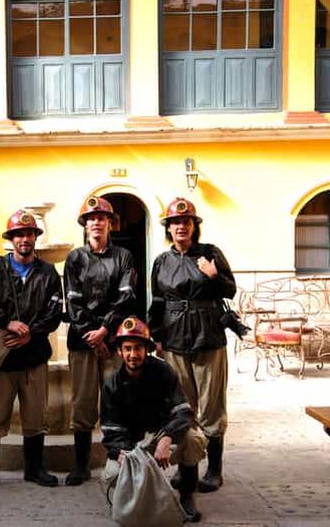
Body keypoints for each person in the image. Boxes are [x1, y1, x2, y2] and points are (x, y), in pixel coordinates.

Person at [0, 209, 63, 493]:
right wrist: (8, 323)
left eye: (29, 233)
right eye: (18, 234)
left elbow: (54, 312)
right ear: (11, 239)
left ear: (35, 237)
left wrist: (30, 335)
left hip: (34, 357)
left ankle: (34, 469)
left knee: (36, 417)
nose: (24, 238)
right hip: (2, 359)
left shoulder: (47, 272)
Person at [147, 197, 236, 494]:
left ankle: (214, 469)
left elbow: (229, 289)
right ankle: (188, 468)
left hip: (208, 336)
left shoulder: (210, 253)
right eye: (175, 223)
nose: (180, 227)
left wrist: (213, 276)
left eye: (186, 222)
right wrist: (155, 335)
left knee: (211, 406)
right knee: (183, 406)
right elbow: (157, 301)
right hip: (174, 339)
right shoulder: (162, 261)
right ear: (169, 229)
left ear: (194, 226)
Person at [100, 316, 207, 522]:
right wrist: (125, 454)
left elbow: (183, 411)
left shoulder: (164, 371)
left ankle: (187, 494)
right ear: (120, 351)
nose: (133, 354)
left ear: (146, 349)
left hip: (162, 436)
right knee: (112, 474)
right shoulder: (111, 384)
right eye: (128, 348)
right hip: (134, 443)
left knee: (193, 440)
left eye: (138, 348)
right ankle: (137, 498)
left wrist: (167, 437)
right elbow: (111, 430)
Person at [64, 195, 137, 485]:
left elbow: (126, 297)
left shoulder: (123, 257)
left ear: (110, 224)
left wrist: (105, 331)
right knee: (82, 404)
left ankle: (117, 462)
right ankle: (81, 465)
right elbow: (72, 301)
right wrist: (92, 336)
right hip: (83, 342)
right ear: (85, 225)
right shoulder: (74, 258)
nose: (96, 222)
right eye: (91, 218)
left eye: (101, 218)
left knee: (117, 401)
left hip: (113, 339)